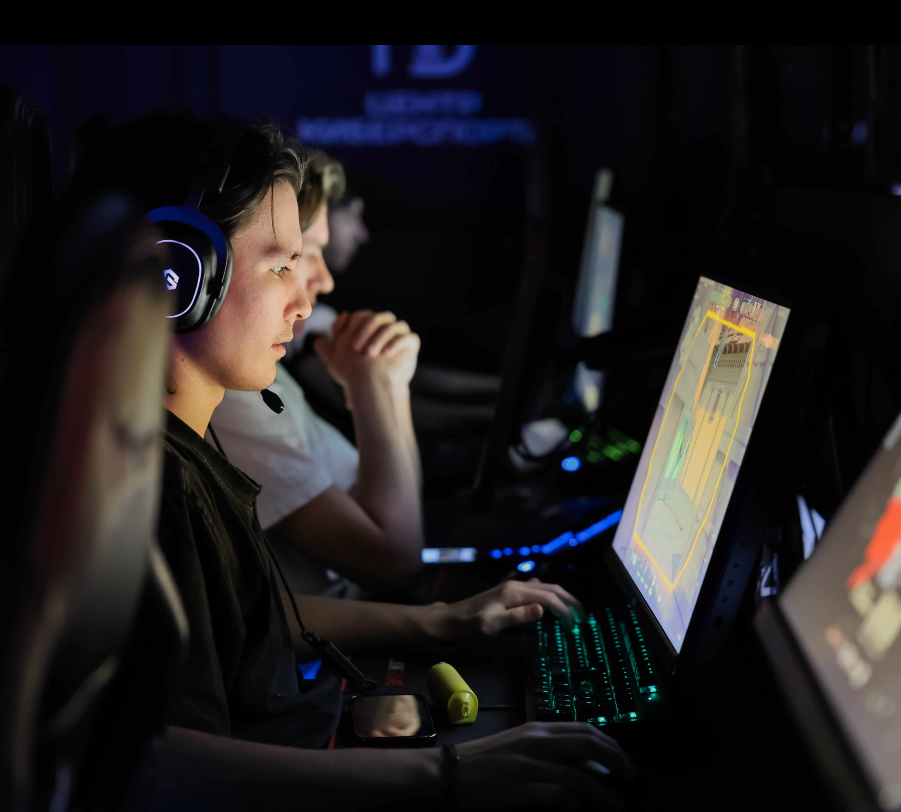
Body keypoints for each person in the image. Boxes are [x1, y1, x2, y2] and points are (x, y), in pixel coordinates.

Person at [73, 113, 631, 811]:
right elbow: (153, 770)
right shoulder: (156, 483)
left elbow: (241, 615)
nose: (307, 297)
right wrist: (445, 776)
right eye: (281, 264)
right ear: (178, 275)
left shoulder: (187, 443)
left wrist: (442, 622)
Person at [211, 152, 422, 596]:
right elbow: (395, 562)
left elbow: (402, 514)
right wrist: (375, 386)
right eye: (291, 260)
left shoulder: (262, 374)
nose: (321, 284)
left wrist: (391, 384)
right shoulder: (232, 388)